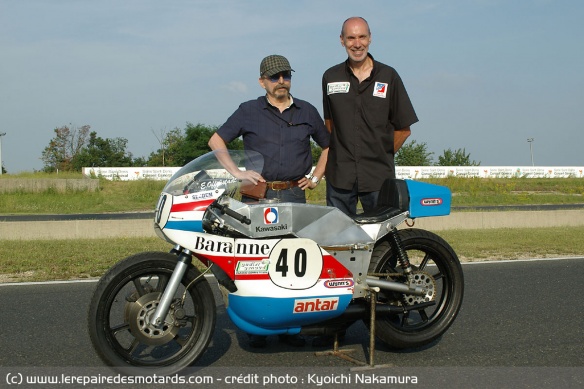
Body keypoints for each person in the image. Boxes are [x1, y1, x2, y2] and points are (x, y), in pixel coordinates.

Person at [208, 54, 330, 348]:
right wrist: (236, 172)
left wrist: (315, 178)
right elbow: (216, 141)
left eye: (285, 75)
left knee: (294, 265)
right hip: (257, 197)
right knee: (257, 263)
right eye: (274, 77)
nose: (281, 82)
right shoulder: (248, 111)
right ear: (262, 81)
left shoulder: (307, 111)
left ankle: (291, 327)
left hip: (293, 195)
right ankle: (257, 328)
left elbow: (329, 146)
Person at [322, 16, 419, 216]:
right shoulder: (330, 77)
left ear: (370, 38)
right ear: (341, 40)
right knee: (338, 240)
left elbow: (403, 129)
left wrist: (380, 152)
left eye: (362, 37)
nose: (357, 44)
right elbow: (329, 124)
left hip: (378, 178)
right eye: (350, 38)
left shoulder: (389, 76)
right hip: (340, 177)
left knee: (382, 241)